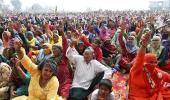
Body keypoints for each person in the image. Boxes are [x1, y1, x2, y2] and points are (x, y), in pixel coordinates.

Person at [128, 32, 170, 100]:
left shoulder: (156, 71)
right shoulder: (137, 69)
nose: (153, 64)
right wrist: (143, 46)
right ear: (144, 62)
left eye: (154, 62)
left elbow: (166, 75)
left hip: (151, 95)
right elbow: (140, 57)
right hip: (137, 96)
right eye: (151, 62)